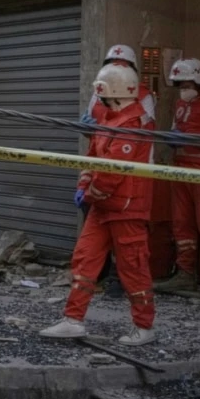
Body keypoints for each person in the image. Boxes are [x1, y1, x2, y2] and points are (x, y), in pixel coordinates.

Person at [39, 63, 156, 346]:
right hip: (104, 206)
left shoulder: (134, 124)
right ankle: (73, 319)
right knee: (84, 259)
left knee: (133, 268)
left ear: (114, 93)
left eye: (102, 94)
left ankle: (144, 326)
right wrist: (83, 186)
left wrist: (89, 193)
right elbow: (93, 157)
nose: (98, 100)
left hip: (126, 208)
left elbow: (111, 175)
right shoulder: (108, 117)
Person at [80, 45, 157, 299]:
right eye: (112, 62)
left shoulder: (142, 100)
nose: (117, 67)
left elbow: (136, 142)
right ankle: (75, 314)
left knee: (130, 253)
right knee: (87, 253)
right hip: (100, 180)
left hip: (127, 185)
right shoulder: (101, 91)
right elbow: (93, 140)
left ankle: (118, 281)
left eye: (121, 63)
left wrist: (92, 190)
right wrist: (85, 184)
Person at [155, 59, 200, 303]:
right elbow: (176, 130)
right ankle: (185, 273)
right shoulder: (182, 103)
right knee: (182, 225)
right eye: (180, 84)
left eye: (187, 83)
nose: (183, 87)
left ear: (199, 80)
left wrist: (190, 139)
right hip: (181, 171)